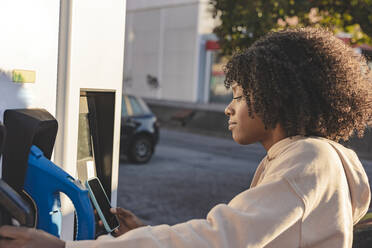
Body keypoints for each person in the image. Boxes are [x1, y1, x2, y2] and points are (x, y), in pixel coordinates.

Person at [0, 27, 371, 248]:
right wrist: (148, 233)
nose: (229, 108)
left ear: (277, 98)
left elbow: (218, 239)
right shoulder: (311, 159)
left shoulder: (308, 158)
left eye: (239, 96)